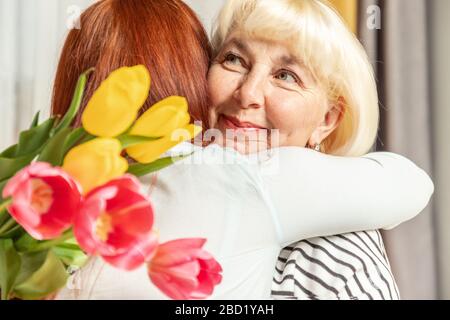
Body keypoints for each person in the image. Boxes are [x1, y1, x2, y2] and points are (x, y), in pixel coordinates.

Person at [54, 0, 433, 299]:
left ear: (328, 120)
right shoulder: (137, 187)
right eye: (234, 59)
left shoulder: (335, 247)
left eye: (287, 76)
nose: (247, 94)